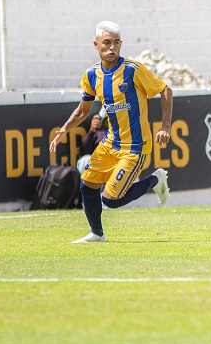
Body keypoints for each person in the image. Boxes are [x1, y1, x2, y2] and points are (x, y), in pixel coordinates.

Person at [49, 21, 173, 243]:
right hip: (110, 144)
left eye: (116, 43)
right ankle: (97, 234)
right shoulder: (91, 75)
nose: (112, 48)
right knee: (87, 185)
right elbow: (83, 110)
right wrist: (64, 130)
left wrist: (165, 126)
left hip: (135, 147)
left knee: (112, 200)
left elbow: (165, 90)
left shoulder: (133, 70)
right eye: (106, 43)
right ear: (96, 44)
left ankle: (155, 180)